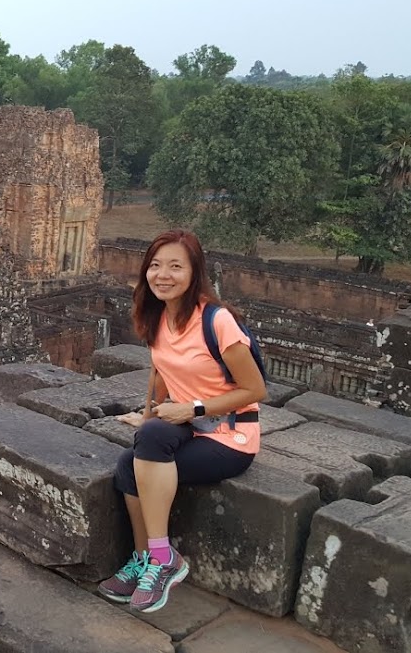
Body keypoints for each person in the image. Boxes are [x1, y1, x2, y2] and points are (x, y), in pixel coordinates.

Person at [96, 230, 266, 613]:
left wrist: (194, 409)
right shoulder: (157, 315)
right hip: (188, 428)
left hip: (229, 437)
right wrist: (145, 413)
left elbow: (255, 389)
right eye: (155, 266)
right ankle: (144, 560)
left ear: (195, 273)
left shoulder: (217, 321)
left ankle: (163, 556)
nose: (163, 275)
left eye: (176, 266)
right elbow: (159, 371)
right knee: (131, 460)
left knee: (151, 441)